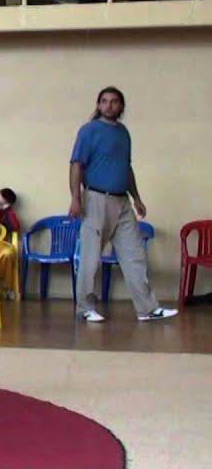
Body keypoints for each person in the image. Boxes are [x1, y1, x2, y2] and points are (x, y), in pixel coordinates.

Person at [69, 87, 177, 323]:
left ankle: (147, 309)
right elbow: (76, 165)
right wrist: (76, 198)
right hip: (96, 199)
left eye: (114, 101)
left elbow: (126, 167)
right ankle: (85, 308)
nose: (109, 105)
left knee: (135, 255)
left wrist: (136, 197)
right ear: (99, 105)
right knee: (91, 257)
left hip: (122, 201)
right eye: (104, 101)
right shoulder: (89, 131)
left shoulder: (123, 133)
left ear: (121, 106)